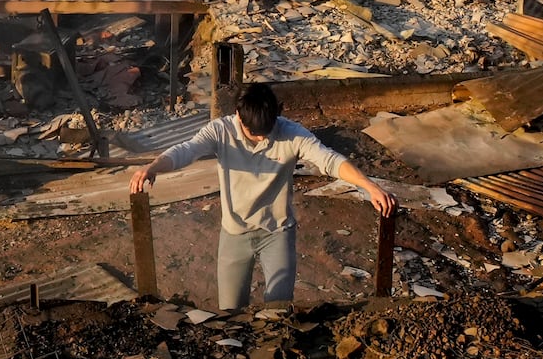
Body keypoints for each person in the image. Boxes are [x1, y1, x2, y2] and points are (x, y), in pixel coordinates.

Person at [128, 82, 397, 312]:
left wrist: (368, 185)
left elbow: (328, 160)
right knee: (230, 312)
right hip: (235, 232)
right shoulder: (220, 131)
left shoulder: (292, 133)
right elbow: (187, 150)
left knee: (278, 310)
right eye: (251, 132)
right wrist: (152, 168)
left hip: (277, 232)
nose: (258, 137)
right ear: (238, 116)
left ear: (277, 115)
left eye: (264, 133)